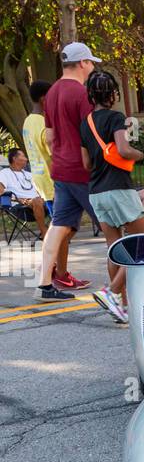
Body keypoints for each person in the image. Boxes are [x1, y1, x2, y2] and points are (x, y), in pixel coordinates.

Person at [80, 68, 144, 324]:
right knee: (143, 244)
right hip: (118, 188)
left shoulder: (85, 122)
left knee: (115, 249)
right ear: (112, 94)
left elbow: (86, 163)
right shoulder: (115, 117)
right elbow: (123, 149)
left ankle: (121, 306)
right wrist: (139, 154)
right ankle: (110, 292)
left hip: (96, 192)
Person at [38, 42, 100, 301]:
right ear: (83, 63)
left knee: (58, 226)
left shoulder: (51, 93)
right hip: (83, 170)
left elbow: (50, 137)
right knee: (115, 224)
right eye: (91, 62)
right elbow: (91, 134)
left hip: (61, 169)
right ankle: (125, 287)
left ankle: (44, 284)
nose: (93, 66)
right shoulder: (81, 94)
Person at [22, 80, 54, 230]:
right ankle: (54, 247)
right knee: (61, 224)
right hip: (51, 178)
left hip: (39, 177)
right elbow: (54, 153)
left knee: (59, 220)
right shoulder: (43, 123)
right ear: (43, 99)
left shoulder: (27, 122)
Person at [0, 147, 49, 238]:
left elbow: (41, 190)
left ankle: (58, 232)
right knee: (37, 201)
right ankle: (44, 232)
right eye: (23, 156)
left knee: (58, 199)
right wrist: (19, 200)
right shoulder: (4, 173)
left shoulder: (29, 174)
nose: (26, 159)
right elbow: (1, 192)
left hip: (41, 204)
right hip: (20, 208)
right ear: (15, 159)